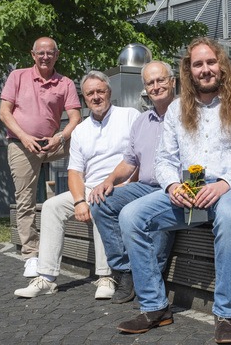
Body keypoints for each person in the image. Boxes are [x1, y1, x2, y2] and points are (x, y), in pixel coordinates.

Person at [116, 37, 231, 344]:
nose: (205, 69)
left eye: (210, 62)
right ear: (188, 71)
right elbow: (165, 159)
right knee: (130, 216)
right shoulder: (178, 109)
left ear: (221, 65)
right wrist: (171, 185)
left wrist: (223, 185)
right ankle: (155, 307)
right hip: (188, 192)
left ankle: (226, 314)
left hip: (230, 188)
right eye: (198, 64)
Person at [14, 70, 140, 299]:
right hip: (90, 188)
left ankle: (106, 276)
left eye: (100, 91)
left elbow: (140, 156)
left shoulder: (129, 115)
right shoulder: (80, 130)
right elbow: (74, 172)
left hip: (123, 186)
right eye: (90, 93)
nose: (96, 97)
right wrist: (79, 200)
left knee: (102, 202)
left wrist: (129, 184)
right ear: (84, 98)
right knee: (52, 207)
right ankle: (47, 277)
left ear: (109, 92)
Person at [89, 60, 177, 304]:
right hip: (144, 186)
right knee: (101, 202)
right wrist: (107, 181)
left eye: (161, 80)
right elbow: (129, 163)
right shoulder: (141, 121)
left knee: (151, 217)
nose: (156, 86)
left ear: (173, 82)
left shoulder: (186, 113)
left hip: (172, 189)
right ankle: (125, 270)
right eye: (150, 82)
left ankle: (151, 279)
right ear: (145, 88)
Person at [0, 37, 82, 278]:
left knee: (86, 142)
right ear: (33, 55)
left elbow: (75, 118)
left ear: (57, 55)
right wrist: (25, 137)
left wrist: (61, 137)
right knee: (25, 200)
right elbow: (5, 113)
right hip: (22, 144)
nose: (45, 57)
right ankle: (31, 255)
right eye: (41, 53)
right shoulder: (17, 76)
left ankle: (98, 190)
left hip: (53, 143)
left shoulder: (65, 82)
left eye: (50, 53)